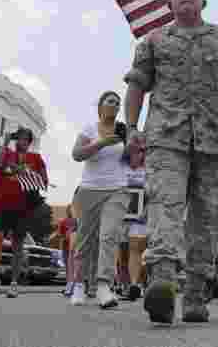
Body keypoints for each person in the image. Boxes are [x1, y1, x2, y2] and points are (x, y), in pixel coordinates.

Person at [124, 0, 218, 324]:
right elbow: (137, 84)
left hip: (215, 142)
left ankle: (197, 293)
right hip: (167, 137)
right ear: (169, 0)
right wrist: (132, 128)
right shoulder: (153, 41)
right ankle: (163, 282)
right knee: (165, 205)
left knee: (208, 218)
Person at [69, 91, 128, 309]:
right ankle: (78, 285)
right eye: (111, 101)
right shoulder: (90, 129)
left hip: (118, 188)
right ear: (101, 105)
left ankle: (104, 285)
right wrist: (101, 143)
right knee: (85, 239)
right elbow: (77, 154)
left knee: (109, 236)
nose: (115, 105)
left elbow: (133, 160)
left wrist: (134, 147)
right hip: (90, 189)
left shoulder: (124, 129)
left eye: (118, 103)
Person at [0, 128, 47, 298]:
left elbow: (44, 181)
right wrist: (5, 143)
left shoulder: (35, 158)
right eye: (18, 138)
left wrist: (27, 172)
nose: (20, 142)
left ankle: (14, 283)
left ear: (29, 142)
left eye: (24, 139)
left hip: (22, 207)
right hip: (0, 203)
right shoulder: (7, 153)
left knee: (17, 244)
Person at [122, 140, 148, 301]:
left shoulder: (148, 171)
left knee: (140, 250)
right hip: (125, 216)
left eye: (141, 152)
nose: (138, 155)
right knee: (128, 252)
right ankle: (130, 284)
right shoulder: (120, 170)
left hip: (144, 217)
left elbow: (153, 192)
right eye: (135, 151)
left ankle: (139, 284)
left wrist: (146, 211)